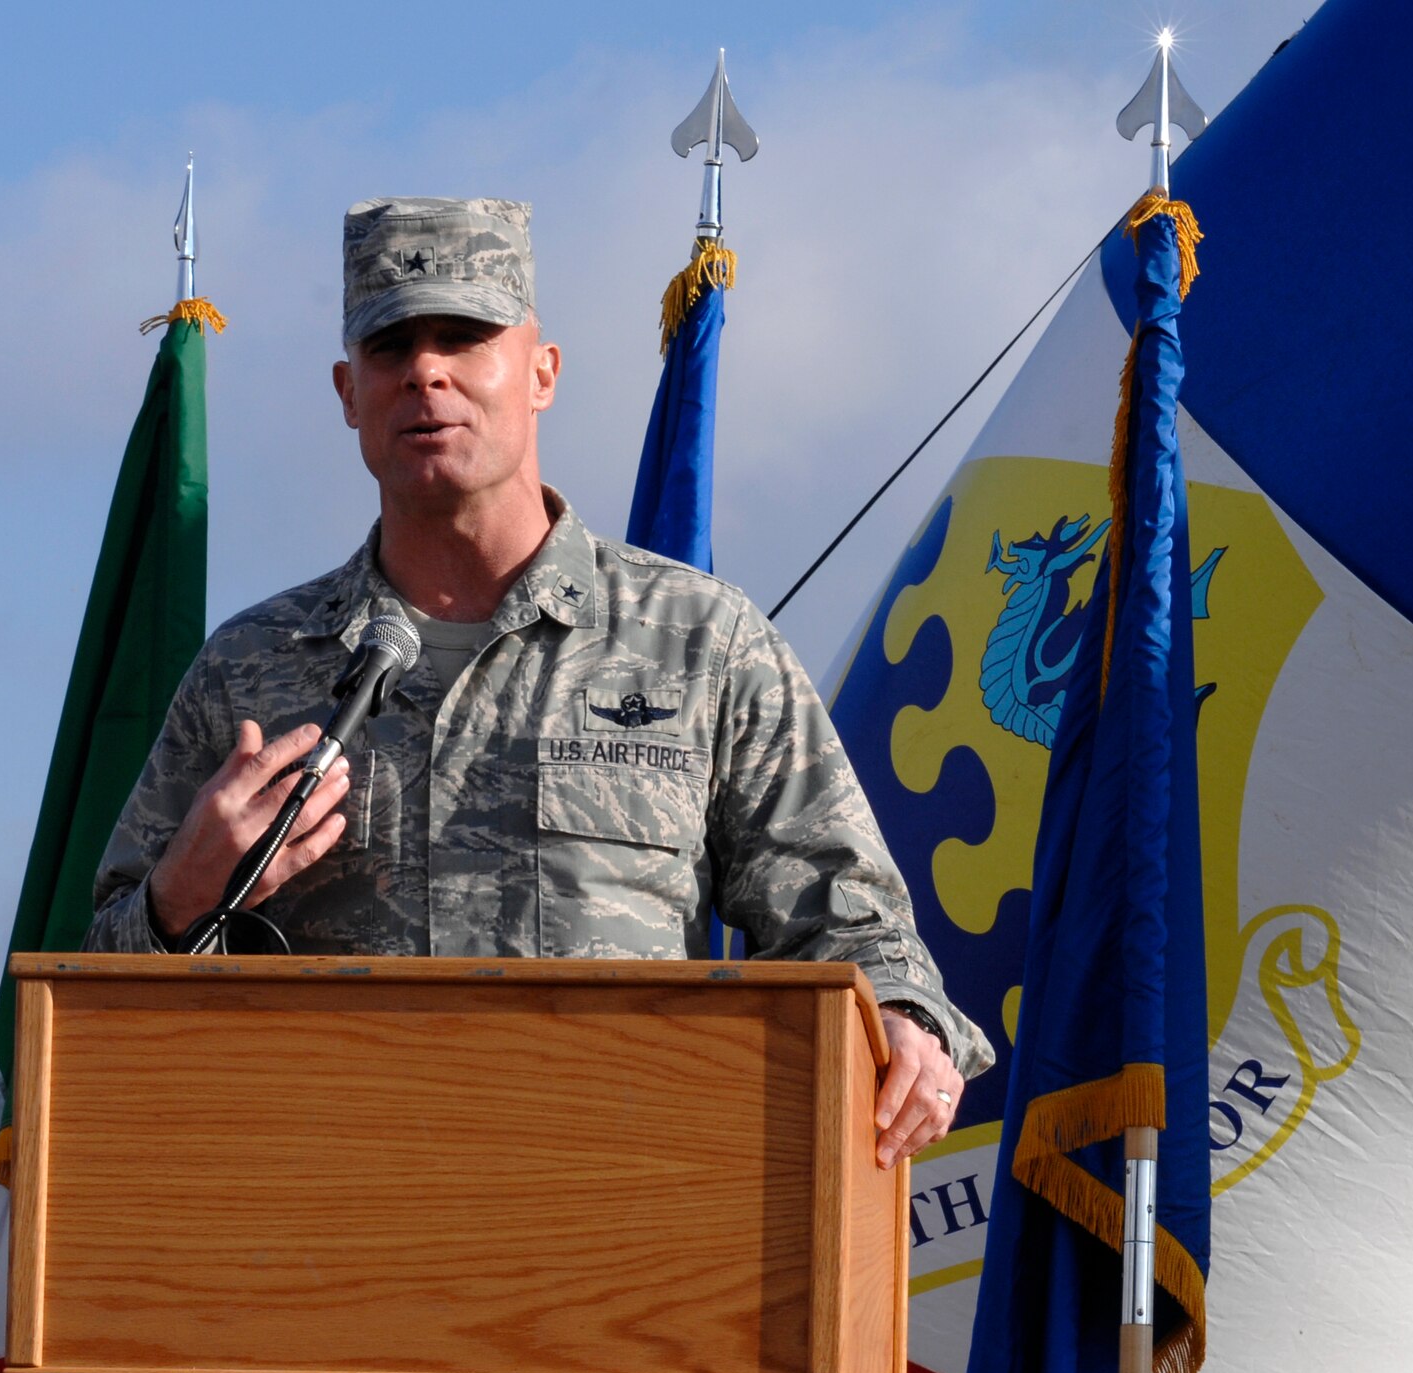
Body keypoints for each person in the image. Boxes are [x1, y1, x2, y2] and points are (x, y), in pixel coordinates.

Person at [86, 196, 993, 1165]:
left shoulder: (699, 643)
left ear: (541, 372)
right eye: (392, 348)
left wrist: (901, 1023)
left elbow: (848, 921)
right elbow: (95, 1013)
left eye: (463, 337)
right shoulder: (251, 675)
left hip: (627, 1227)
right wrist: (177, 905)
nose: (426, 371)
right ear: (348, 393)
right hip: (327, 1232)